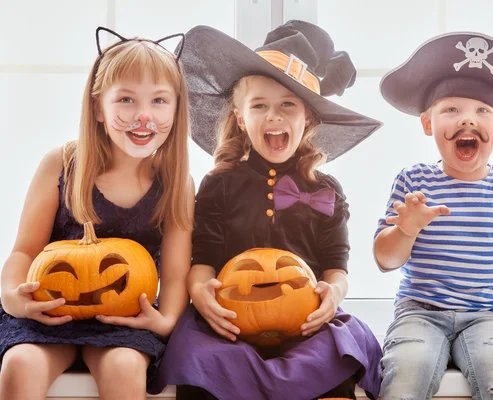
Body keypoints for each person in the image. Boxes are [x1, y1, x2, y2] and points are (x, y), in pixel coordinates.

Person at [151, 20, 383, 400]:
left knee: (338, 357)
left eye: (287, 105)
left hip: (305, 321)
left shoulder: (327, 191)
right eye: (260, 105)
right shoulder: (219, 184)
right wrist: (201, 293)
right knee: (200, 359)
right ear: (241, 118)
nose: (274, 116)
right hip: (231, 320)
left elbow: (336, 267)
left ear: (306, 117)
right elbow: (203, 258)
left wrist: (333, 294)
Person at [0, 27, 194, 399]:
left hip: (122, 317)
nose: (143, 116)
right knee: (20, 365)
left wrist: (166, 319)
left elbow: (174, 274)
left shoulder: (175, 182)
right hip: (50, 314)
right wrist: (12, 295)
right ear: (97, 108)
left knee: (124, 367)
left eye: (159, 101)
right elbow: (25, 251)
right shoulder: (62, 163)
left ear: (176, 108)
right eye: (125, 100)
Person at [373, 32, 493, 400]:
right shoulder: (413, 182)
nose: (467, 120)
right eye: (451, 110)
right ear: (428, 123)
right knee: (406, 371)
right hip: (420, 312)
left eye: (482, 111)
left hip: (487, 316)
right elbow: (385, 259)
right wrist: (407, 229)